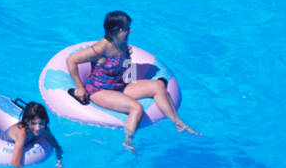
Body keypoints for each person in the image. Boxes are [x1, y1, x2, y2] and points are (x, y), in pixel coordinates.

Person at [65, 9, 198, 151]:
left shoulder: (122, 43)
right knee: (136, 108)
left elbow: (126, 65)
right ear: (117, 31)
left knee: (158, 86)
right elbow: (71, 60)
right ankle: (127, 142)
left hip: (120, 85)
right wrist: (80, 87)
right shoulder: (99, 49)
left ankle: (178, 124)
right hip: (100, 90)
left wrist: (132, 79)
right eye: (126, 28)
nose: (130, 31)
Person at [7, 102, 63, 168]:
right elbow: (15, 164)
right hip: (3, 141)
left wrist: (59, 161)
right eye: (33, 123)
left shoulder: (44, 129)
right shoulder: (22, 133)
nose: (38, 128)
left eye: (41, 123)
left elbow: (57, 146)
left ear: (45, 122)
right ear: (27, 121)